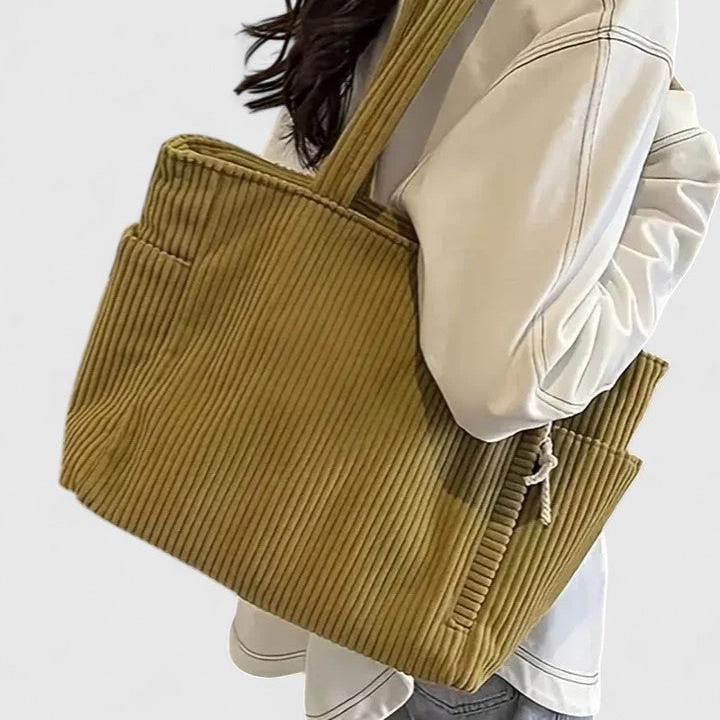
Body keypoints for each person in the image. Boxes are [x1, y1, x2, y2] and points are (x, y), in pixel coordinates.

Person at [229, 1, 720, 718]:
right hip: (463, 589)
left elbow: (304, 188)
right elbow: (500, 384)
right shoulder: (602, 9)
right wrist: (681, 188)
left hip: (338, 541)